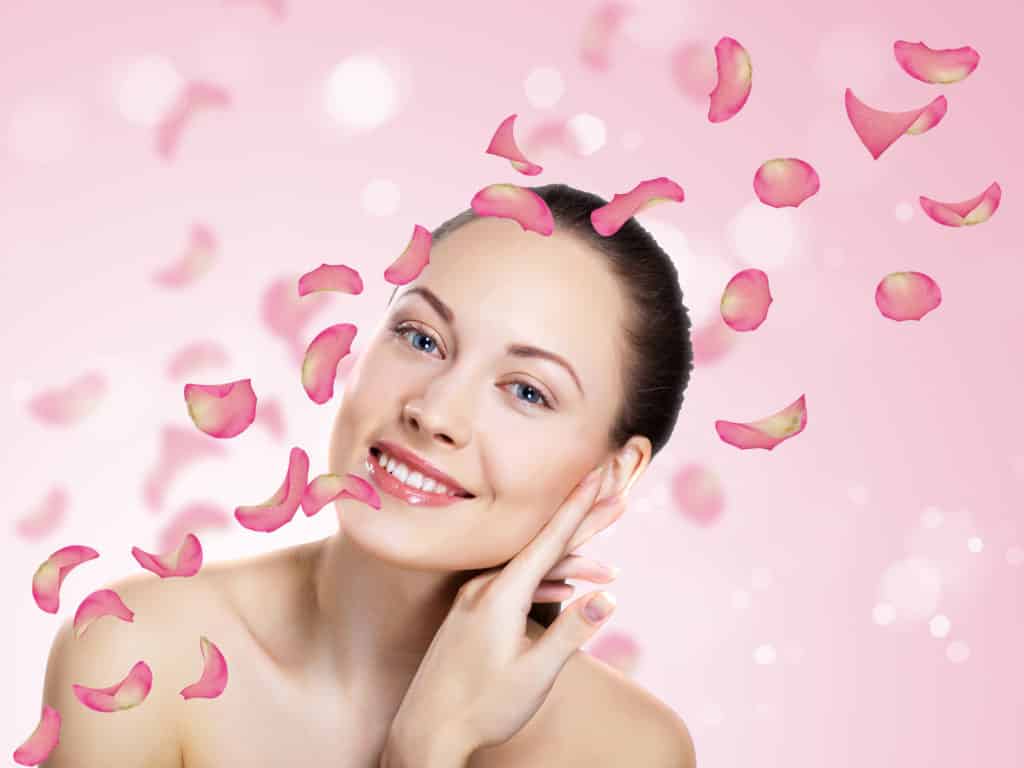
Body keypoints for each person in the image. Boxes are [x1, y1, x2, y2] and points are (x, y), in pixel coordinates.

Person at [38, 182, 695, 767]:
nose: (434, 411)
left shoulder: (630, 750)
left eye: (527, 391)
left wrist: (429, 746)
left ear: (614, 473)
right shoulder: (136, 649)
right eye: (421, 338)